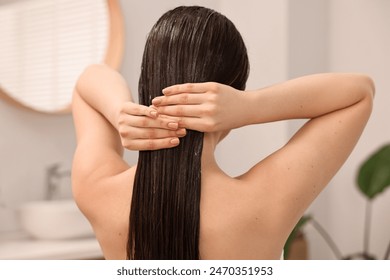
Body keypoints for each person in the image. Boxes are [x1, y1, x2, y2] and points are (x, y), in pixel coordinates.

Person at [71, 6, 374, 260]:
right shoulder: (263, 203)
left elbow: (88, 80)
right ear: (230, 97)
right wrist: (251, 106)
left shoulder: (98, 191)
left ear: (146, 84)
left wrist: (119, 110)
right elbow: (360, 92)